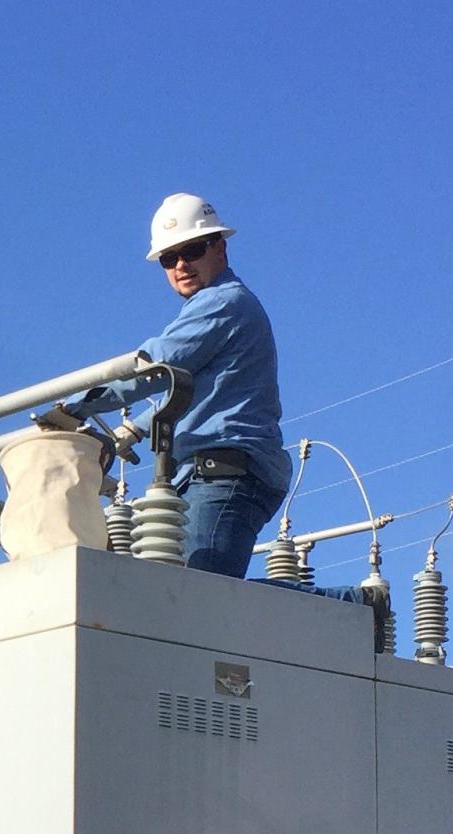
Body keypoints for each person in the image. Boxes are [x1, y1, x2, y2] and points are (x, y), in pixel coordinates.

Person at [71, 194, 359, 602]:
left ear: (219, 248)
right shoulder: (215, 308)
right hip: (205, 474)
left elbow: (156, 368)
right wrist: (132, 430)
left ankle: (350, 607)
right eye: (169, 259)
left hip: (226, 473)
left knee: (197, 598)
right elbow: (190, 394)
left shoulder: (224, 303)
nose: (180, 265)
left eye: (191, 250)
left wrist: (73, 406)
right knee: (181, 596)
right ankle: (348, 608)